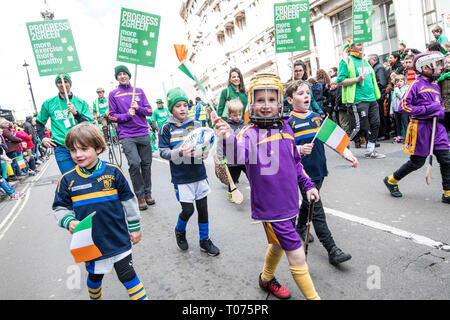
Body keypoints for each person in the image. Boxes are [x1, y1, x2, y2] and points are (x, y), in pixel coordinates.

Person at [215, 73, 320, 300]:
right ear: (251, 103)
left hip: (291, 203)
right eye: (260, 100)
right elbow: (236, 156)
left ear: (280, 102)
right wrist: (226, 137)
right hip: (272, 209)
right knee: (296, 254)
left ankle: (266, 278)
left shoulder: (286, 127)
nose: (266, 105)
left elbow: (296, 163)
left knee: (278, 246)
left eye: (271, 100)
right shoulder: (248, 133)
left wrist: (308, 185)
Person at [52, 122, 148, 300]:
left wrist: (134, 227)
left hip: (118, 237)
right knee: (95, 278)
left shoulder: (113, 172)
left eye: (84, 149)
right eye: (73, 150)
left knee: (128, 275)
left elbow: (128, 201)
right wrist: (68, 220)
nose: (78, 154)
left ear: (98, 148)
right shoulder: (67, 180)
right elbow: (60, 207)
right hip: (91, 243)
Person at [285, 79, 356, 265]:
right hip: (303, 175)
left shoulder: (317, 118)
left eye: (307, 93)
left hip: (320, 170)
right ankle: (332, 249)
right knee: (317, 210)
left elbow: (333, 140)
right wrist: (299, 150)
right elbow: (283, 151)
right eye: (300, 94)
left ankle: (300, 227)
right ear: (290, 100)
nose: (306, 96)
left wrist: (347, 154)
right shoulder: (288, 123)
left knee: (309, 204)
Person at [159, 87, 220, 256]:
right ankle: (180, 230)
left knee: (203, 209)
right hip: (181, 177)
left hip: (198, 173)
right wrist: (179, 152)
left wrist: (206, 151)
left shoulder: (197, 124)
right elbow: (162, 151)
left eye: (185, 105)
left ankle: (204, 240)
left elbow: (206, 143)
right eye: (178, 105)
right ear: (171, 108)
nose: (183, 108)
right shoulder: (166, 128)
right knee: (188, 210)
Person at [383, 51, 450, 204]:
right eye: (437, 64)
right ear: (425, 67)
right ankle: (392, 180)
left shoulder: (435, 85)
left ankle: (448, 192)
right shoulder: (415, 85)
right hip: (420, 128)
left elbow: (438, 107)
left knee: (446, 160)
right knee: (417, 162)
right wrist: (428, 109)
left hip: (437, 128)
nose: (440, 67)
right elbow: (403, 107)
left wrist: (439, 111)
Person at [108, 65, 155, 210]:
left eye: (125, 74)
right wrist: (126, 115)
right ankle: (140, 196)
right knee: (135, 164)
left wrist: (138, 108)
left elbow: (149, 111)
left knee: (146, 165)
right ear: (116, 77)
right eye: (119, 74)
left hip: (143, 133)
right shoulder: (113, 94)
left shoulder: (139, 91)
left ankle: (148, 193)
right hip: (127, 135)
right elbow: (111, 115)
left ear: (129, 75)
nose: (122, 76)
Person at [336, 39, 386, 158]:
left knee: (376, 124)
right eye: (359, 45)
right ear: (351, 47)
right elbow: (340, 81)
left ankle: (370, 150)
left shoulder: (365, 61)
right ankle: (342, 144)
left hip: (371, 99)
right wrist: (357, 79)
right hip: (357, 99)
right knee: (360, 127)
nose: (361, 47)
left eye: (362, 44)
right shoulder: (346, 61)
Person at [35, 73, 93, 174]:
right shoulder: (49, 103)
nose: (62, 84)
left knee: (87, 177)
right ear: (56, 85)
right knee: (70, 178)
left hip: (81, 145)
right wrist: (43, 137)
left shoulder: (81, 102)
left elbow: (88, 125)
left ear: (70, 84)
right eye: (59, 82)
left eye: (65, 82)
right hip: (61, 148)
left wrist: (76, 113)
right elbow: (39, 122)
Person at [216, 98, 247, 203]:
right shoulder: (226, 127)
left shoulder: (245, 125)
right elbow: (220, 143)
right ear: (229, 114)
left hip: (244, 158)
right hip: (232, 159)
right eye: (235, 115)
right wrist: (221, 158)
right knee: (232, 179)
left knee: (252, 176)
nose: (238, 117)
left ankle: (256, 191)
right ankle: (231, 192)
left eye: (239, 114)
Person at [368, 53, 390, 141]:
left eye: (369, 60)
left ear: (374, 60)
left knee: (381, 115)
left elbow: (382, 82)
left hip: (380, 94)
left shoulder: (379, 68)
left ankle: (384, 133)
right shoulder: (376, 68)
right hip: (378, 94)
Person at [390, 74, 409, 143]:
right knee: (397, 124)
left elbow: (402, 97)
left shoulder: (406, 88)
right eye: (397, 81)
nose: (399, 83)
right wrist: (391, 111)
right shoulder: (396, 89)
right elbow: (393, 100)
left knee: (405, 123)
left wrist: (397, 89)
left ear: (404, 81)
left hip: (403, 109)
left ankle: (407, 137)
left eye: (401, 81)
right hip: (396, 109)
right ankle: (399, 136)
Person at [437, 53, 450, 136]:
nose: (448, 64)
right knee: (447, 116)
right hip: (445, 99)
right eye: (447, 63)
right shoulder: (442, 75)